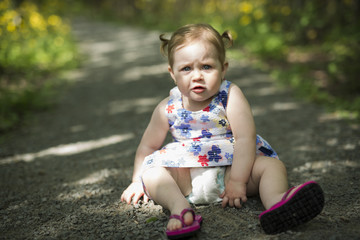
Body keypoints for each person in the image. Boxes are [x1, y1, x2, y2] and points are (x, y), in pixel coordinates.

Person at [121, 23, 324, 238]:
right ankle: (179, 208)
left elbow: (245, 138)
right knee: (153, 174)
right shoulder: (167, 108)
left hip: (231, 174)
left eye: (207, 67)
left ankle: (277, 202)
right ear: (172, 73)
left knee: (271, 166)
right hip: (184, 181)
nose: (197, 76)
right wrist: (137, 180)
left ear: (223, 68)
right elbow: (148, 145)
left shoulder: (230, 96)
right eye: (186, 68)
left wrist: (238, 181)